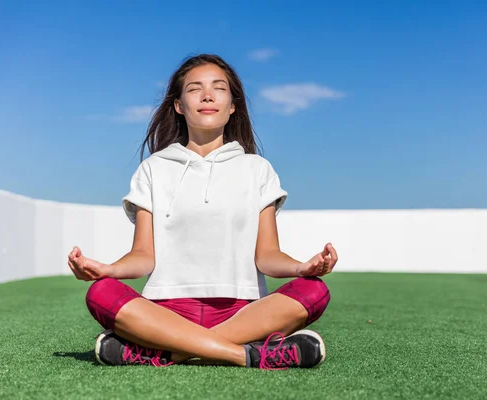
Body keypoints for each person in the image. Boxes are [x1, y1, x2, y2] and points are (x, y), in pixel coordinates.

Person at [67, 54, 338, 370]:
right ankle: (246, 354)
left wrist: (303, 267)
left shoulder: (258, 169)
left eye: (218, 88)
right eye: (195, 88)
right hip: (164, 312)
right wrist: (108, 270)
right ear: (179, 105)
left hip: (243, 313)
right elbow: (143, 255)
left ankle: (168, 351)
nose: (207, 95)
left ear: (232, 105)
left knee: (314, 290)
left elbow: (267, 256)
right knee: (100, 292)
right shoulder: (152, 169)